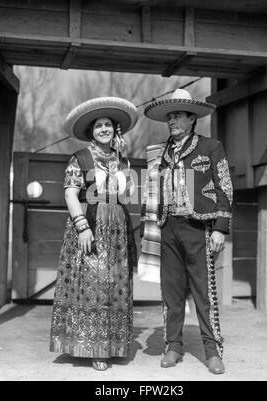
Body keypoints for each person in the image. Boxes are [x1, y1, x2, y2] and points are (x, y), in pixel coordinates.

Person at [138, 88, 233, 375]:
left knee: (205, 293)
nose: (172, 121)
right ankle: (174, 346)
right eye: (170, 117)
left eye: (178, 115)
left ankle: (212, 350)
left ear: (192, 119)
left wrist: (220, 228)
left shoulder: (210, 147)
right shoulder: (160, 153)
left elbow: (225, 188)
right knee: (172, 292)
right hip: (168, 228)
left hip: (198, 228)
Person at [50, 97, 138, 371]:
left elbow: (127, 195)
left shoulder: (121, 158)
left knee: (115, 284)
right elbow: (70, 193)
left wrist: (126, 173)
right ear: (91, 131)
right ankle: (93, 347)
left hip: (118, 232)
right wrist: (82, 226)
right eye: (99, 125)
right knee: (95, 285)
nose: (104, 129)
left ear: (116, 130)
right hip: (91, 226)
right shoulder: (81, 158)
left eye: (108, 125)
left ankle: (113, 344)